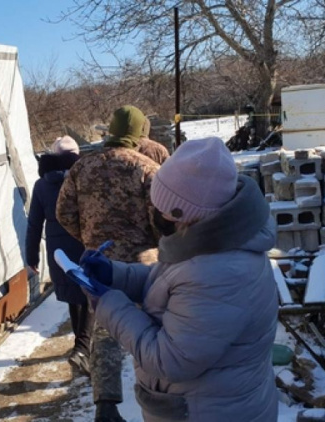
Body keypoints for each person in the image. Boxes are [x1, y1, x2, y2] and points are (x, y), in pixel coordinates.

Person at [77, 137, 278, 422]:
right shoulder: (212, 245)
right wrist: (116, 274)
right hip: (207, 403)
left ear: (187, 214)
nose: (157, 215)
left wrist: (108, 304)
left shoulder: (220, 273)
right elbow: (172, 282)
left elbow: (169, 359)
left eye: (163, 209)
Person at [57, 105, 160, 422]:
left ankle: (105, 406)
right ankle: (158, 398)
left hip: (98, 263)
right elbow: (161, 221)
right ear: (139, 133)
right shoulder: (148, 168)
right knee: (153, 332)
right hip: (144, 266)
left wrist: (89, 237)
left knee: (104, 332)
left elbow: (64, 213)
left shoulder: (81, 168)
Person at [25, 136, 91, 374]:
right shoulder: (83, 177)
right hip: (84, 243)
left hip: (59, 251)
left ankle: (81, 346)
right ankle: (83, 348)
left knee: (75, 299)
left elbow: (33, 224)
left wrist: (32, 257)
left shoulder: (41, 185)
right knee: (90, 297)